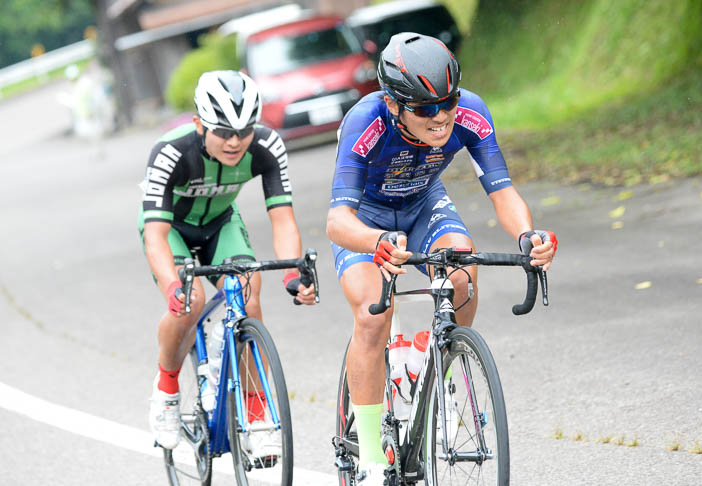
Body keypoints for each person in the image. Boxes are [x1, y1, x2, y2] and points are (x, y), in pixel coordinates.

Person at [326, 33, 557, 484]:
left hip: (423, 202)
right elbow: (337, 221)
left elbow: (501, 189)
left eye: (447, 102)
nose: (442, 116)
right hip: (367, 220)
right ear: (394, 105)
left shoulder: (470, 110)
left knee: (463, 268)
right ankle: (372, 454)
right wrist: (373, 242)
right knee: (373, 314)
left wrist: (528, 236)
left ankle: (448, 368)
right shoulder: (364, 121)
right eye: (425, 109)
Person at [138, 70, 316, 456]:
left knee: (249, 294)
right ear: (199, 123)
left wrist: (291, 272)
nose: (235, 142)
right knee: (191, 301)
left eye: (244, 130)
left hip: (220, 224)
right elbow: (154, 235)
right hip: (172, 231)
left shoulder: (268, 146)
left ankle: (255, 410)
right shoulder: (171, 152)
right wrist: (173, 286)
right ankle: (167, 389)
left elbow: (283, 218)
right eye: (223, 131)